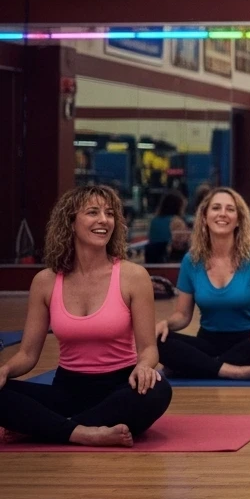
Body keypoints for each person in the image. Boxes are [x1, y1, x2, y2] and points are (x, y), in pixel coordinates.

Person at [0, 186, 171, 447]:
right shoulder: (45, 281)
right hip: (66, 390)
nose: (104, 220)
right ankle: (83, 432)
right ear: (70, 222)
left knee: (159, 390)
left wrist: (144, 367)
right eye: (93, 212)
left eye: (110, 213)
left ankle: (48, 427)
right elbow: (28, 355)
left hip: (120, 387)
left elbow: (148, 348)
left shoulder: (133, 276)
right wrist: (5, 370)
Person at [155, 188, 250, 380]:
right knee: (158, 340)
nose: (222, 213)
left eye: (230, 209)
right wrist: (165, 323)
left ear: (239, 219)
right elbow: (182, 315)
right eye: (216, 208)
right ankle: (235, 371)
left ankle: (196, 366)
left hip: (248, 341)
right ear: (205, 217)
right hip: (208, 341)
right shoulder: (191, 260)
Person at [144, 190, 191, 264]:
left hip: (152, 261)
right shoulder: (177, 222)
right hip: (170, 260)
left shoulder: (154, 221)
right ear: (179, 207)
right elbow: (183, 243)